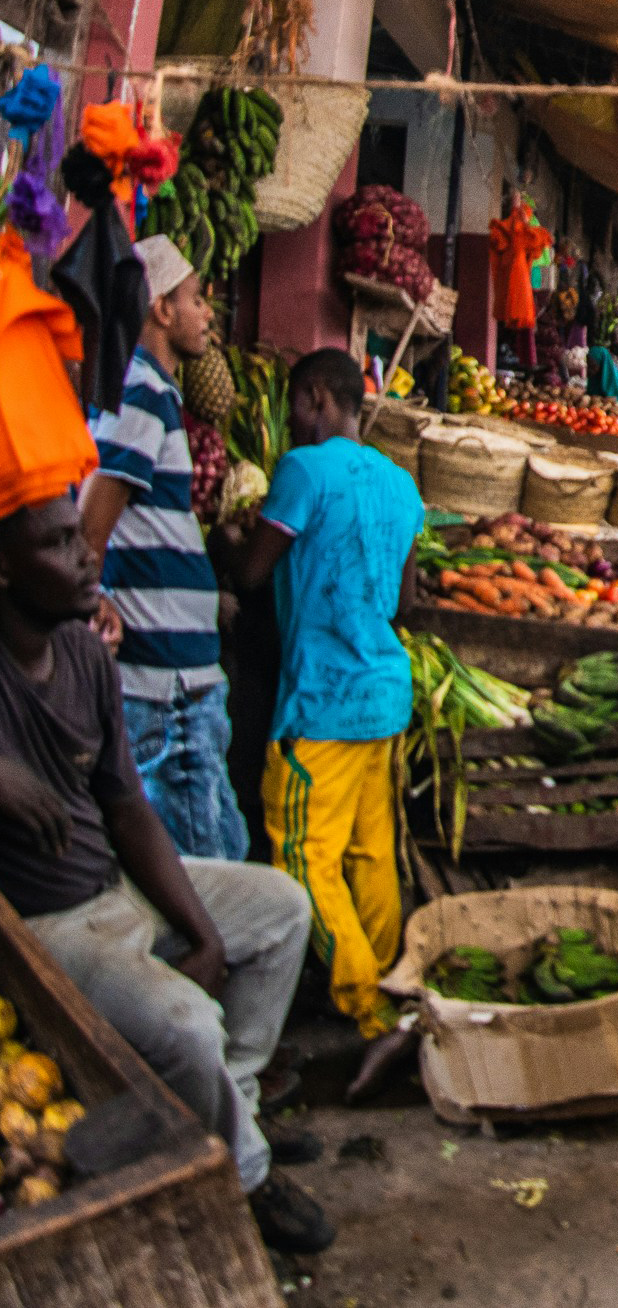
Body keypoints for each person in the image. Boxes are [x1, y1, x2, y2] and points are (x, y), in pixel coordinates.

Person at [0, 488, 333, 1254]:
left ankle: (235, 1110)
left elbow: (127, 807)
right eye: (57, 545)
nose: (88, 554)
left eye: (75, 537)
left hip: (117, 883)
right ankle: (246, 1178)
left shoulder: (84, 652)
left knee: (282, 909)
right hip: (51, 928)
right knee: (187, 1023)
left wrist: (200, 930)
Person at [222, 349, 424, 1103]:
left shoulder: (303, 473)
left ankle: (368, 1006)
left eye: (297, 408)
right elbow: (405, 604)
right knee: (371, 851)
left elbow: (252, 572)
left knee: (303, 856)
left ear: (314, 398)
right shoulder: (401, 484)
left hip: (325, 701)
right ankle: (391, 983)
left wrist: (232, 534)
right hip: (384, 691)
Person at [78, 235, 249, 863]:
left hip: (177, 677)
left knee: (213, 849)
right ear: (160, 309)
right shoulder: (142, 389)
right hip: (165, 684)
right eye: (196, 299)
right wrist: (89, 602)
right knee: (205, 868)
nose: (207, 314)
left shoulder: (147, 390)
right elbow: (95, 519)